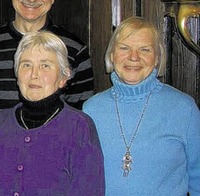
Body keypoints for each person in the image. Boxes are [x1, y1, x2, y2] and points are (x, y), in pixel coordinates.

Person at [0, 31, 104, 195]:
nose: (34, 74)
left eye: (45, 66)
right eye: (26, 65)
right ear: (17, 74)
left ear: (63, 77)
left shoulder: (79, 126)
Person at [83, 17, 200, 195]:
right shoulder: (91, 109)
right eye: (124, 48)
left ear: (157, 58)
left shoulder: (184, 109)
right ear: (112, 55)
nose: (133, 57)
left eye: (144, 49)